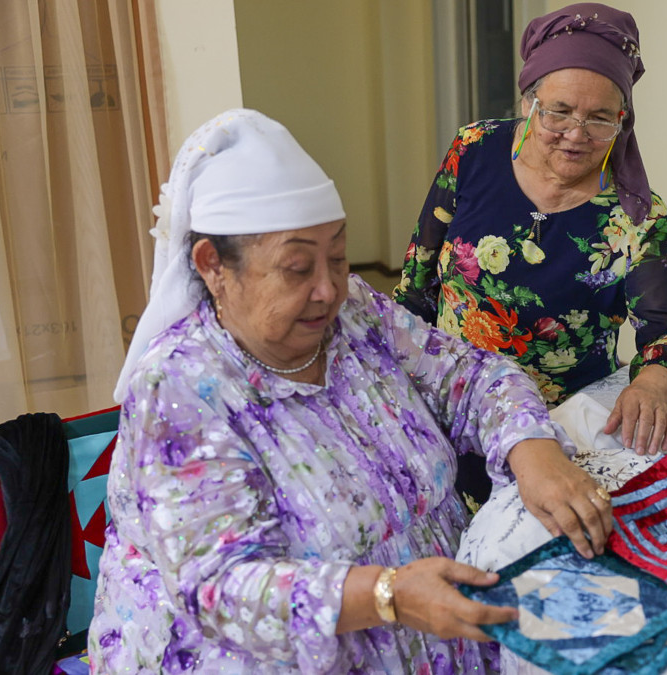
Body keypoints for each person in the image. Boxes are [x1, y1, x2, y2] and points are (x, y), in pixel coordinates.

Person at [89, 109, 613, 674]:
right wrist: (386, 594)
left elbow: (470, 375)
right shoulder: (180, 389)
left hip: (435, 629)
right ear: (213, 266)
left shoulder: (355, 311)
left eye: (337, 257)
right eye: (296, 268)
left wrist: (529, 448)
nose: (327, 290)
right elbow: (223, 588)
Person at [395, 2, 667, 462]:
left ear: (622, 121)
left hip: (557, 433)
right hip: (446, 405)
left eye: (600, 118)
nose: (576, 134)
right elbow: (418, 276)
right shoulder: (473, 150)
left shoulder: (637, 219)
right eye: (558, 111)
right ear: (528, 103)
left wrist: (651, 386)